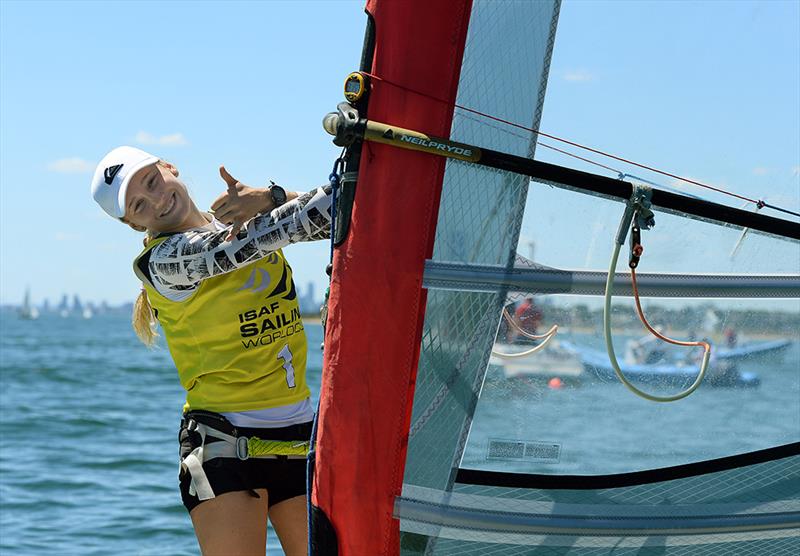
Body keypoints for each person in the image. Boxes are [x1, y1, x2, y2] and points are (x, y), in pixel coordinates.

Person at [90, 146, 331, 555]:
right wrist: (272, 203)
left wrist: (273, 200)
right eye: (139, 206)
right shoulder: (161, 261)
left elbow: (344, 216)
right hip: (222, 444)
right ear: (135, 225)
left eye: (152, 181)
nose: (156, 201)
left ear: (169, 167)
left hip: (300, 435)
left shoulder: (245, 218)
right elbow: (234, 248)